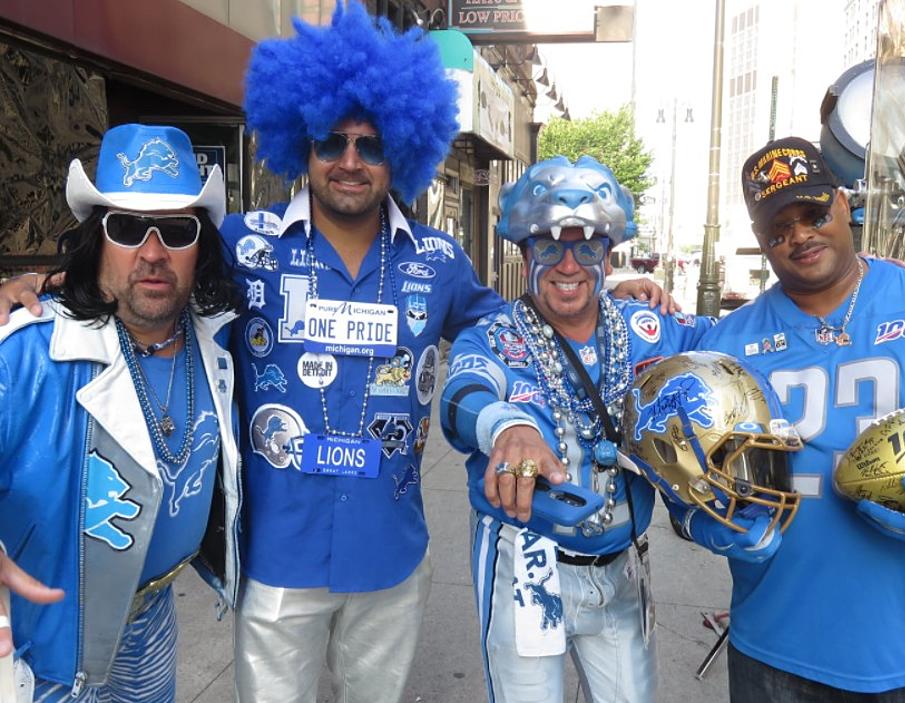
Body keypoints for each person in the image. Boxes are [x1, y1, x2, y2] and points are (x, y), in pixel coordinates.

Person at [0, 7, 672, 700]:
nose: (350, 160)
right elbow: (154, 262)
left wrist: (605, 283)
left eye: (372, 145)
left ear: (403, 149)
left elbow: (519, 325)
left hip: (389, 553)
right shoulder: (245, 243)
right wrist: (40, 282)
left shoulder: (437, 261)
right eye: (331, 140)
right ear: (302, 142)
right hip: (276, 559)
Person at [690, 136, 905, 700]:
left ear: (844, 204)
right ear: (760, 240)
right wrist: (697, 519)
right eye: (778, 226)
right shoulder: (727, 345)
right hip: (778, 647)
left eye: (814, 212)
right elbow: (689, 469)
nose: (799, 234)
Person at [439, 155, 714, 701]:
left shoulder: (646, 327)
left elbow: (735, 343)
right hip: (527, 563)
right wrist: (507, 428)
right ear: (525, 253)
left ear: (607, 253)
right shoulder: (494, 337)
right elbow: (461, 396)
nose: (568, 264)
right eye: (549, 246)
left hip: (622, 566)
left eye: (586, 247)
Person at [0, 123, 242, 700]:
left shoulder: (219, 338)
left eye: (177, 230)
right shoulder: (28, 351)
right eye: (128, 227)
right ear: (96, 240)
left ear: (200, 246)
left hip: (154, 616)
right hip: (50, 641)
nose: (152, 252)